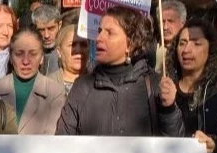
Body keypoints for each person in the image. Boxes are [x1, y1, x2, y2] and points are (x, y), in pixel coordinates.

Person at [56, 6, 184, 137]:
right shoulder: (82, 87)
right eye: (99, 31)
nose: (99, 38)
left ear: (131, 44)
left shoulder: (155, 85)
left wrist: (169, 110)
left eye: (109, 33)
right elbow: (63, 140)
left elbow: (175, 141)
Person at [167, 19, 217, 137]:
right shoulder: (164, 90)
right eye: (182, 43)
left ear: (210, 49)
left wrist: (215, 144)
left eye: (196, 44)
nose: (186, 50)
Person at [0, 27, 65, 135]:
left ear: (42, 58)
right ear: (11, 57)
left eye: (33, 54)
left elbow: (50, 138)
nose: (25, 61)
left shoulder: (55, 92)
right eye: (19, 54)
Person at [49, 24, 89, 96]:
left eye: (83, 44)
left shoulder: (98, 82)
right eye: (72, 45)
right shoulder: (47, 85)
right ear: (59, 52)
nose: (78, 50)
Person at [155, 0, 186, 73]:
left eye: (170, 21)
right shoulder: (150, 48)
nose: (165, 27)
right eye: (162, 21)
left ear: (182, 23)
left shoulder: (187, 51)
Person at [31, 4, 61, 75]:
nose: (46, 35)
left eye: (51, 28)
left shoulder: (69, 51)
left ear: (59, 25)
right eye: (41, 30)